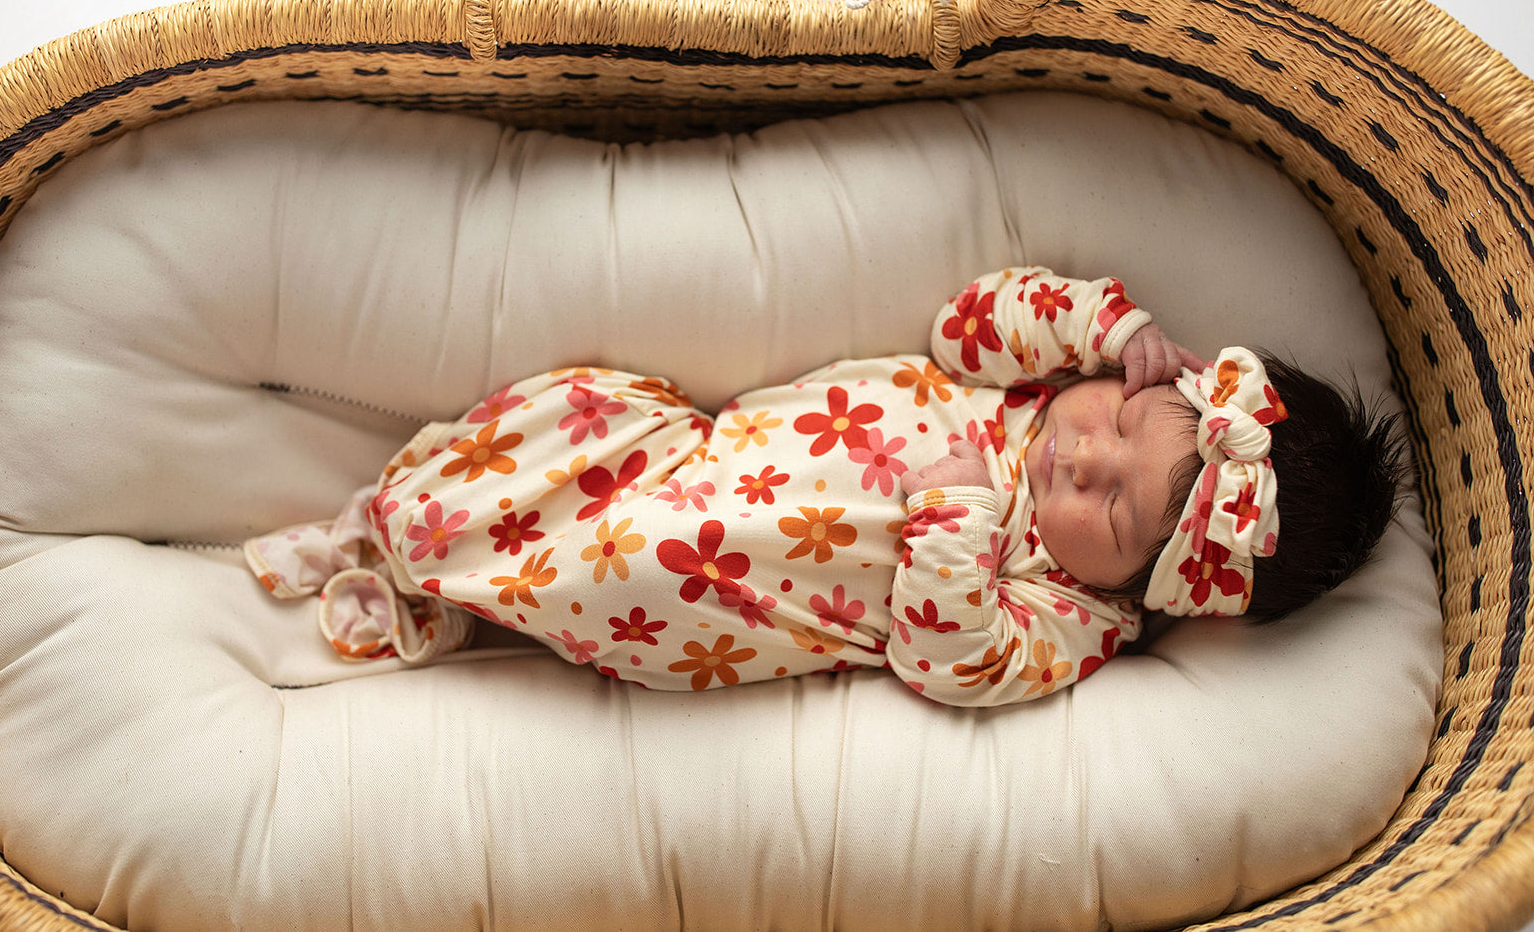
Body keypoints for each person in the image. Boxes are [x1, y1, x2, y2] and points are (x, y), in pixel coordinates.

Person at [245, 267, 1405, 707]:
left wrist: (956, 517)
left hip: (719, 593)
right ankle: (396, 522)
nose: (1084, 454)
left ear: (1148, 588)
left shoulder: (1073, 615)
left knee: (616, 562)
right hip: (693, 445)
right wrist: (1104, 326)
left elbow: (950, 661)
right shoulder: (1033, 383)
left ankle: (451, 591)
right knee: (577, 409)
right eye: (1116, 416)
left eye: (1113, 506)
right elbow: (965, 318)